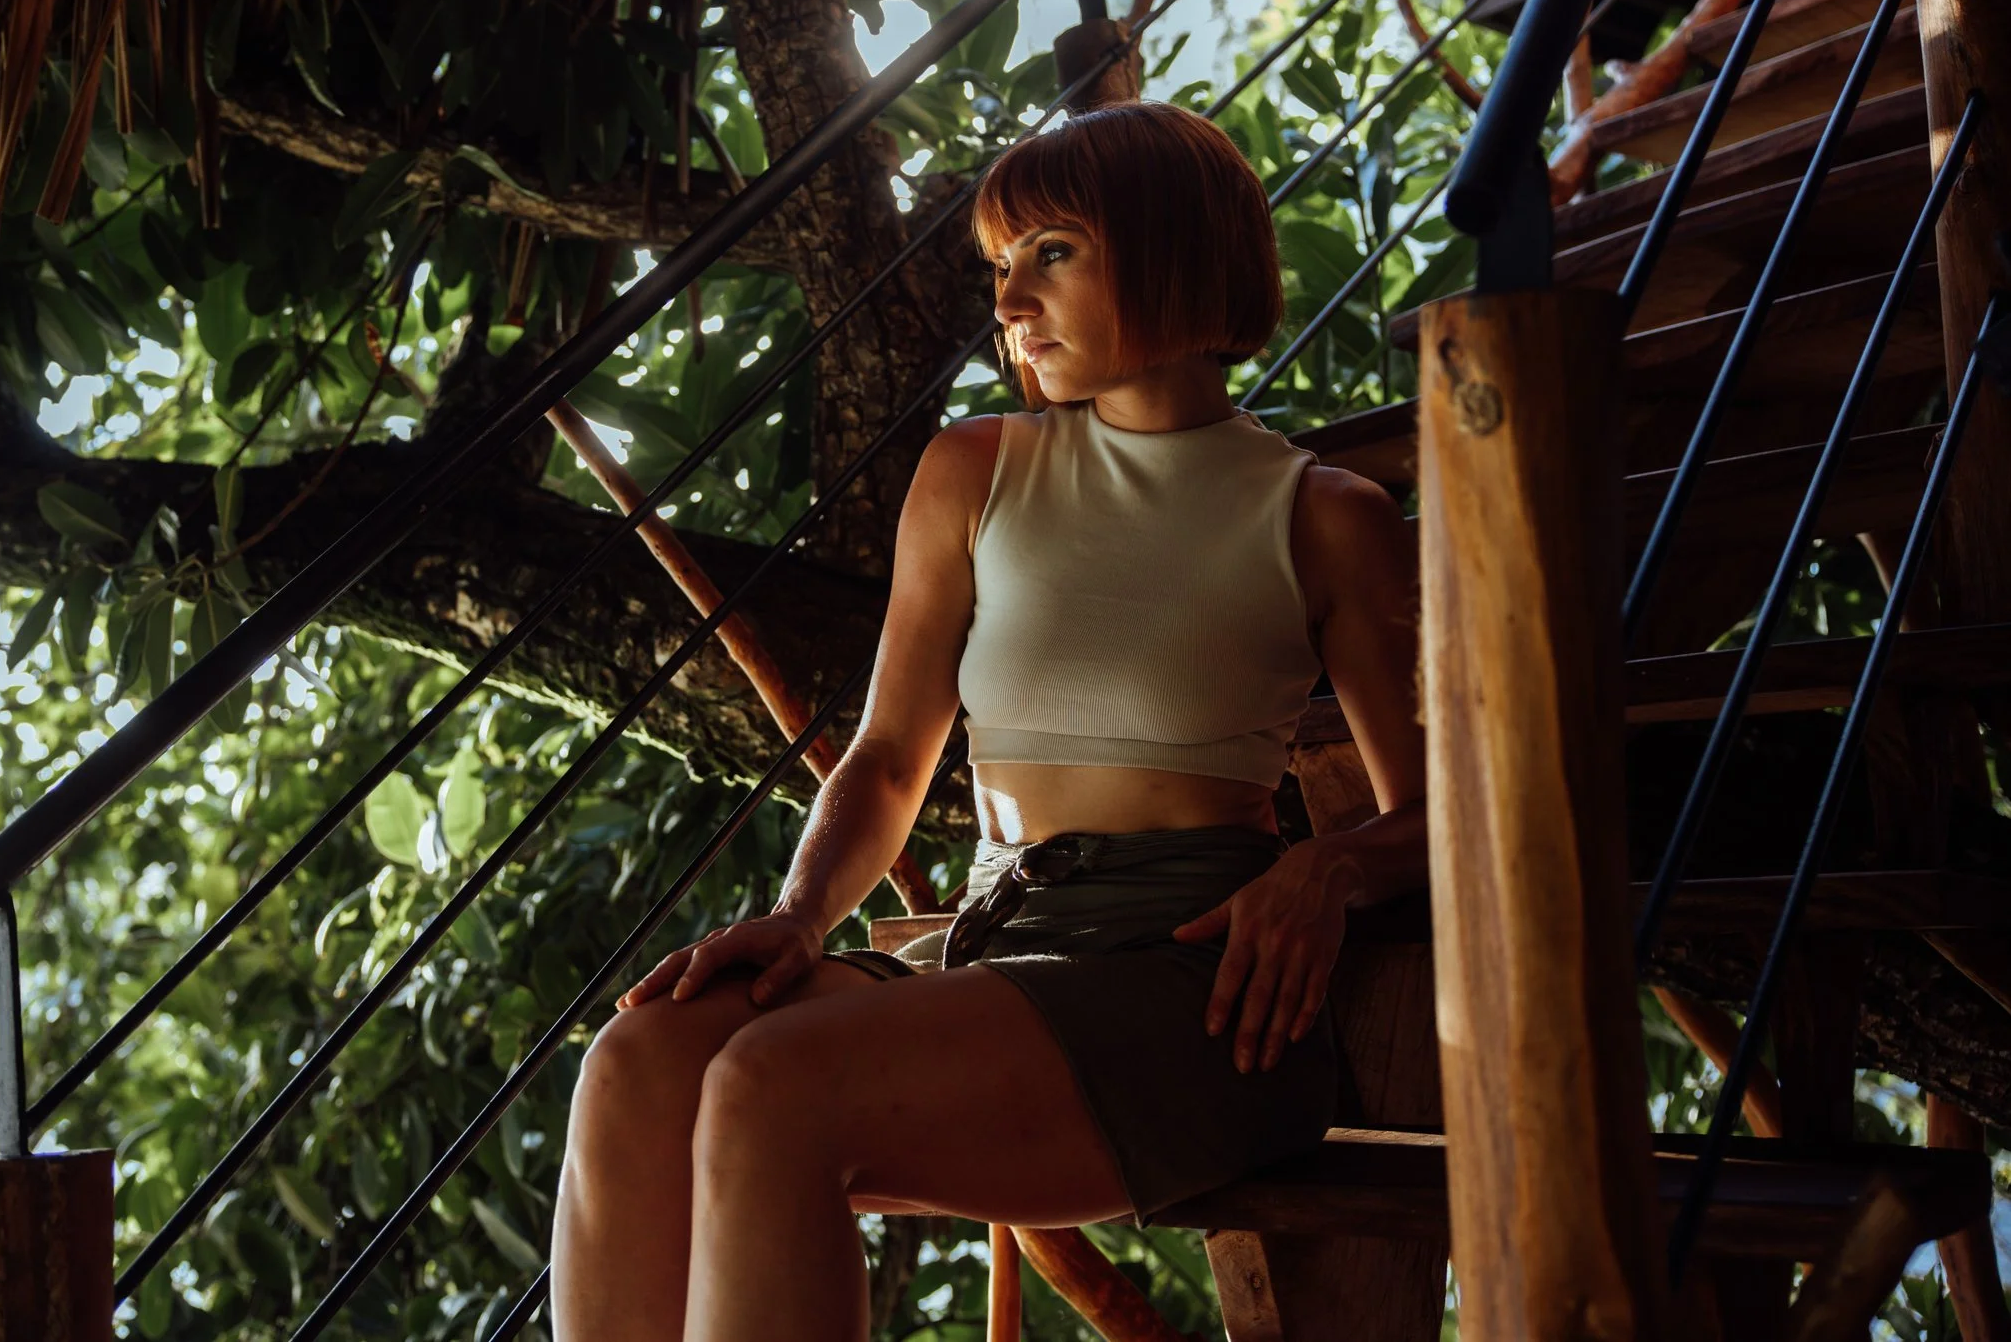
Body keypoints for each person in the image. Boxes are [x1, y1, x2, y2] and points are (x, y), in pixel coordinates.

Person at [551, 100, 1427, 1342]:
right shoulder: (975, 468)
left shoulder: (1322, 515)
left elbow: (1441, 814)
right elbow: (887, 756)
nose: (1009, 300)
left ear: (1171, 247)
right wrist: (800, 913)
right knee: (640, 1060)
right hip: (992, 946)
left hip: (1188, 988)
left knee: (774, 1081)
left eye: (1050, 253)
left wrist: (1326, 866)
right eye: (1001, 265)